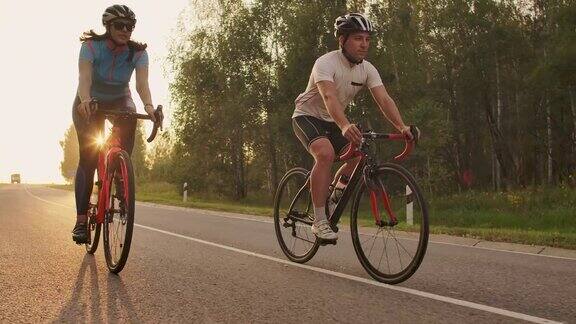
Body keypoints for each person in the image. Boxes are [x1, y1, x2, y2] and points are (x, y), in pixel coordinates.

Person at [292, 13, 418, 242]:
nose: (364, 44)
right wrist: (344, 125)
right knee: (325, 153)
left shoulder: (367, 69)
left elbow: (384, 100)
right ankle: (319, 221)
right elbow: (329, 96)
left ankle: (331, 196)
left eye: (367, 39)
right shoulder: (325, 63)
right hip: (307, 116)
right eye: (358, 38)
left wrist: (401, 126)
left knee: (358, 155)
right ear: (342, 40)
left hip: (334, 120)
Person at [72, 5, 159, 244]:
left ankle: (120, 174)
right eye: (120, 25)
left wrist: (150, 107)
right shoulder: (91, 47)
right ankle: (81, 221)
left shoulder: (138, 53)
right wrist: (86, 100)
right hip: (91, 100)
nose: (125, 30)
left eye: (129, 26)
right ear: (108, 26)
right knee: (88, 160)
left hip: (121, 99)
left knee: (130, 119)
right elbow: (85, 78)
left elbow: (142, 85)